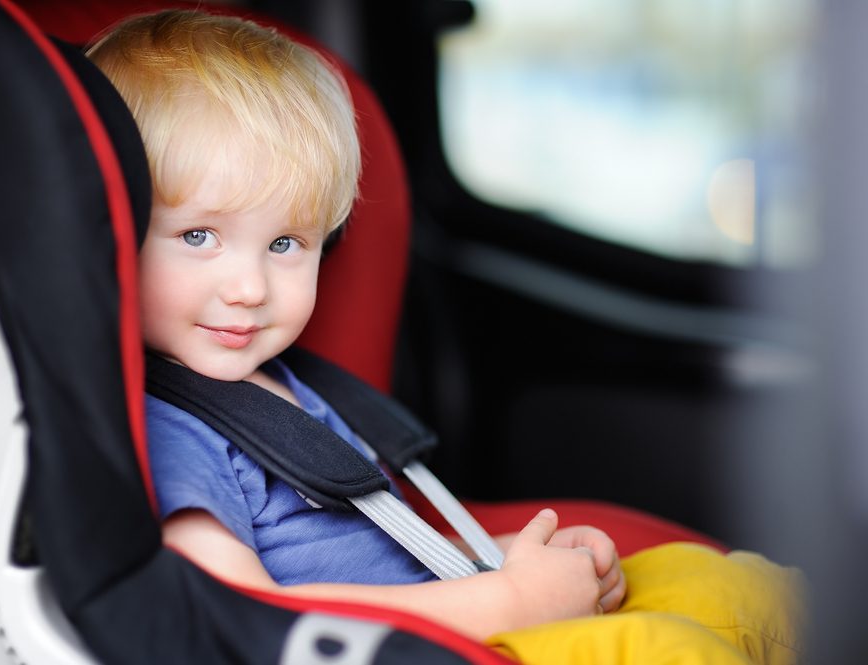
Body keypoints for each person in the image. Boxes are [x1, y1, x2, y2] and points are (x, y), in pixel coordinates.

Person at [87, 9, 802, 663]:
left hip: (442, 613)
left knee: (717, 581)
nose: (250, 286)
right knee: (660, 649)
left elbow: (377, 551)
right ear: (112, 231)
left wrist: (510, 558)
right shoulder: (170, 430)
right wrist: (509, 601)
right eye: (199, 235)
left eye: (285, 244)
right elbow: (232, 614)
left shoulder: (285, 385)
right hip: (373, 650)